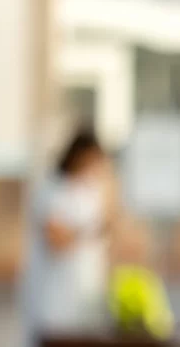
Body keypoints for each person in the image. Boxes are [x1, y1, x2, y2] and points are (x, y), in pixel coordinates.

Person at [30, 128, 116, 337]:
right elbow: (56, 240)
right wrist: (86, 232)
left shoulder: (91, 188)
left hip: (87, 289)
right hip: (56, 292)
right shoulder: (52, 187)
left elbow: (105, 228)